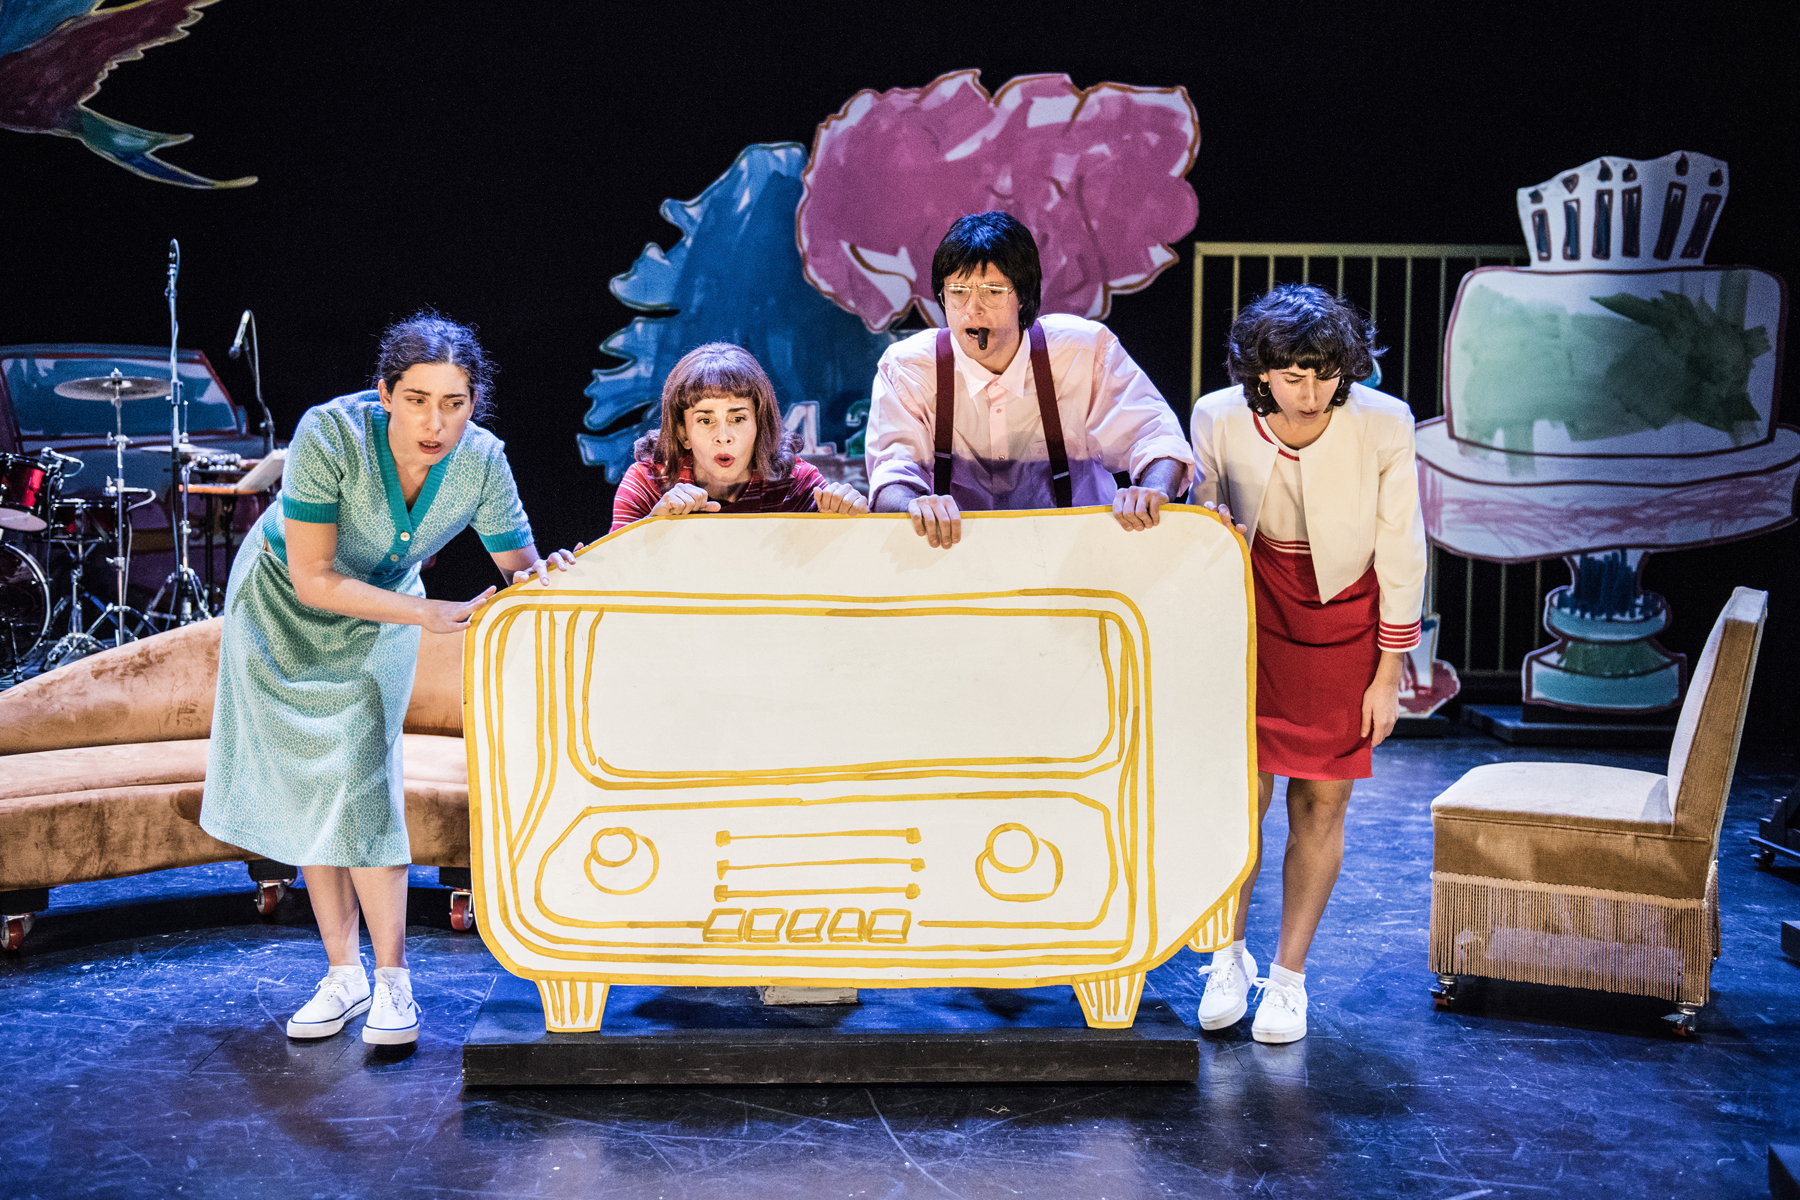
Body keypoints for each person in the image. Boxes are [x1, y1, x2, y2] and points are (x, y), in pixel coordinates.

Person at [199, 314, 578, 1046]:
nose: (435, 423)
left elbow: (522, 575)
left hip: (380, 617)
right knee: (313, 785)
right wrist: (428, 613)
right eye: (417, 400)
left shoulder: (482, 462)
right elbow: (313, 579)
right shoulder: (329, 434)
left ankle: (395, 984)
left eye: (454, 403)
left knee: (362, 771)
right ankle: (344, 975)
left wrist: (556, 574)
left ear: (474, 403)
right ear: (385, 395)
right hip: (281, 607)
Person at [1187, 283, 1426, 1044]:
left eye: (1325, 374)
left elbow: (1402, 548)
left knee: (1321, 803)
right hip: (1253, 619)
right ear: (1260, 371)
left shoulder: (1385, 423)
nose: (1311, 391)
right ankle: (1226, 957)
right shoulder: (1218, 416)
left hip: (1345, 623)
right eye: (1293, 375)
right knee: (1241, 803)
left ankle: (1288, 978)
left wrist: (1389, 674)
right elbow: (1203, 525)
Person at [864, 212, 1193, 546]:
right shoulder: (908, 368)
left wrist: (1152, 491)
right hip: (955, 558)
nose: (972, 309)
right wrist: (913, 506)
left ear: (1022, 297)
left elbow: (1156, 438)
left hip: (1081, 555)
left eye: (992, 291)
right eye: (958, 291)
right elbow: (891, 475)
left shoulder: (1083, 352)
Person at [611, 342, 868, 532]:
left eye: (738, 419)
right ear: (683, 433)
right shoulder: (647, 482)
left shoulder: (797, 483)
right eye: (705, 420)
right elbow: (613, 575)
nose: (723, 437)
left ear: (759, 425)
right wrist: (652, 528)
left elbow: (847, 565)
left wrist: (850, 520)